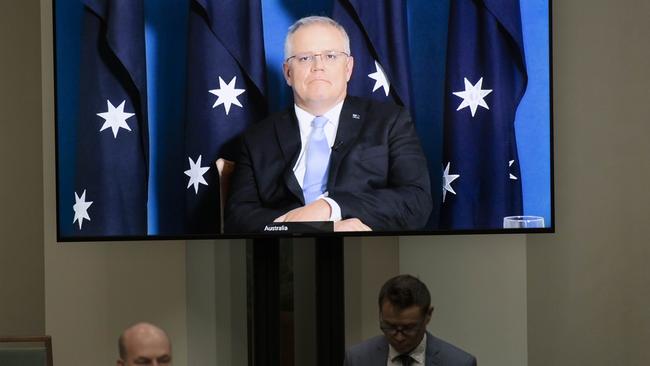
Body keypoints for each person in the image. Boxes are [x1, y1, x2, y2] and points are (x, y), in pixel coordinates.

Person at [224, 16, 432, 233]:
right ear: (288, 72)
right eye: (305, 58)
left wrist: (331, 207)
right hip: (282, 256)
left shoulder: (390, 122)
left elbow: (416, 201)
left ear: (348, 68)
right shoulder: (257, 139)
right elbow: (238, 219)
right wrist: (300, 228)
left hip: (369, 254)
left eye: (330, 56)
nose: (318, 67)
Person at [344, 275, 476, 366]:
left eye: (408, 328)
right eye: (389, 326)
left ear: (428, 315)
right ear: (380, 314)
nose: (399, 337)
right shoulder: (357, 359)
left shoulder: (459, 362)